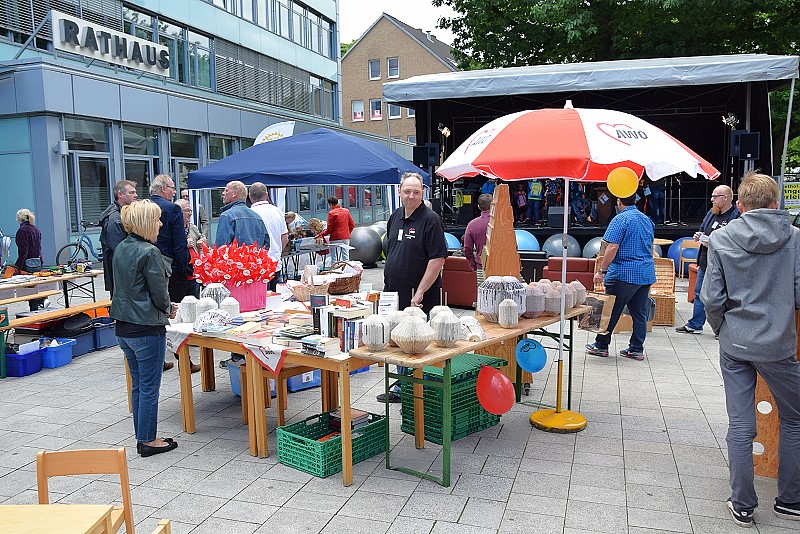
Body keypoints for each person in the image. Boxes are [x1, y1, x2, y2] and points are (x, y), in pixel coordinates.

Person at [700, 172, 800, 527]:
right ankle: (790, 500)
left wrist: (720, 328)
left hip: (736, 342)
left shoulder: (722, 238)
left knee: (741, 424)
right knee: (795, 418)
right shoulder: (794, 239)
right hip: (779, 344)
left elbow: (711, 297)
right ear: (775, 204)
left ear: (739, 206)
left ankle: (742, 504)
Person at [110, 199, 178, 458]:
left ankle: (143, 437)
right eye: (157, 220)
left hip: (124, 328)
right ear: (147, 223)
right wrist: (169, 308)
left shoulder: (122, 247)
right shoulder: (149, 252)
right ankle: (148, 440)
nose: (160, 224)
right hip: (146, 327)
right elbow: (159, 294)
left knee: (139, 385)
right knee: (149, 386)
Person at [379, 172, 447, 403]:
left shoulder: (430, 219)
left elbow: (437, 260)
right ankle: (402, 386)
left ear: (422, 193)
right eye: (407, 191)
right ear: (399, 192)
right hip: (394, 293)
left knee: (417, 343)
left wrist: (419, 292)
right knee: (398, 341)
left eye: (416, 192)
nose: (411, 196)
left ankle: (417, 389)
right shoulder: (396, 216)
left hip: (418, 298)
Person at [585, 193, 655, 361]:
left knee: (611, 310)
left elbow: (612, 246)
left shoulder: (620, 219)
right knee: (639, 314)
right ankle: (636, 349)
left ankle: (601, 345)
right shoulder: (647, 219)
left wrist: (602, 270)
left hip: (623, 273)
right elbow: (651, 246)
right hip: (645, 273)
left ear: (619, 201)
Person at [149, 174, 197, 373]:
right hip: (172, 268)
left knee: (155, 314)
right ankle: (184, 361)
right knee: (177, 316)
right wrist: (186, 266)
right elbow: (179, 243)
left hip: (148, 266)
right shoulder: (172, 209)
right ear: (162, 189)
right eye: (172, 187)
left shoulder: (141, 207)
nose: (175, 191)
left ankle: (158, 360)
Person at [675, 185, 738, 335]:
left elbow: (735, 239)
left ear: (725, 198)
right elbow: (703, 228)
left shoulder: (735, 216)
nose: (712, 200)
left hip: (723, 262)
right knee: (699, 292)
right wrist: (699, 235)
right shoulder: (712, 213)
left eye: (715, 197)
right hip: (705, 260)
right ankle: (695, 324)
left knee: (723, 295)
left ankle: (723, 329)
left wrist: (714, 243)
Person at [100, 180, 138, 296]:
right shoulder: (115, 219)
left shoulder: (123, 214)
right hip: (120, 276)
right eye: (131, 193)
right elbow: (120, 251)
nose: (135, 195)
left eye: (135, 192)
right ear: (120, 195)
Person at [249, 182, 288, 291]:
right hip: (275, 263)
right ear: (266, 195)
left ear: (250, 196)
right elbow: (285, 238)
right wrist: (277, 252)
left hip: (257, 266)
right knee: (274, 300)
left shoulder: (250, 214)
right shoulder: (277, 211)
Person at [215, 181, 269, 248]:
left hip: (235, 258)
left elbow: (221, 248)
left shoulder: (227, 216)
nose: (223, 193)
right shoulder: (257, 217)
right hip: (255, 257)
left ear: (234, 193)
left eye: (226, 191)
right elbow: (266, 246)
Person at [14, 209, 45, 311]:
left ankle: (35, 308)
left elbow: (23, 251)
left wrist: (17, 267)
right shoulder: (35, 229)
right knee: (34, 288)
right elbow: (39, 248)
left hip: (27, 264)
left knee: (30, 289)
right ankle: (39, 304)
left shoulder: (22, 231)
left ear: (19, 219)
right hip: (37, 262)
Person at [175, 199, 204, 299]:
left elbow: (201, 238)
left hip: (195, 274)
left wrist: (202, 242)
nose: (190, 214)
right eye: (187, 211)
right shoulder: (174, 229)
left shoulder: (192, 227)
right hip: (182, 275)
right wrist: (184, 245)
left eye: (190, 211)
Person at [317, 196, 355, 263]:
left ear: (330, 204)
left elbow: (329, 229)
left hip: (335, 237)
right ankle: (346, 269)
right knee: (346, 256)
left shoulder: (331, 213)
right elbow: (352, 224)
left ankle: (335, 269)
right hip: (346, 237)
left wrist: (321, 234)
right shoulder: (346, 211)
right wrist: (347, 232)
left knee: (334, 257)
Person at [463, 193, 492, 278]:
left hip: (481, 267)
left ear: (478, 207)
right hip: (501, 268)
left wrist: (472, 264)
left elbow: (467, 249)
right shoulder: (503, 224)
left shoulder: (472, 225)